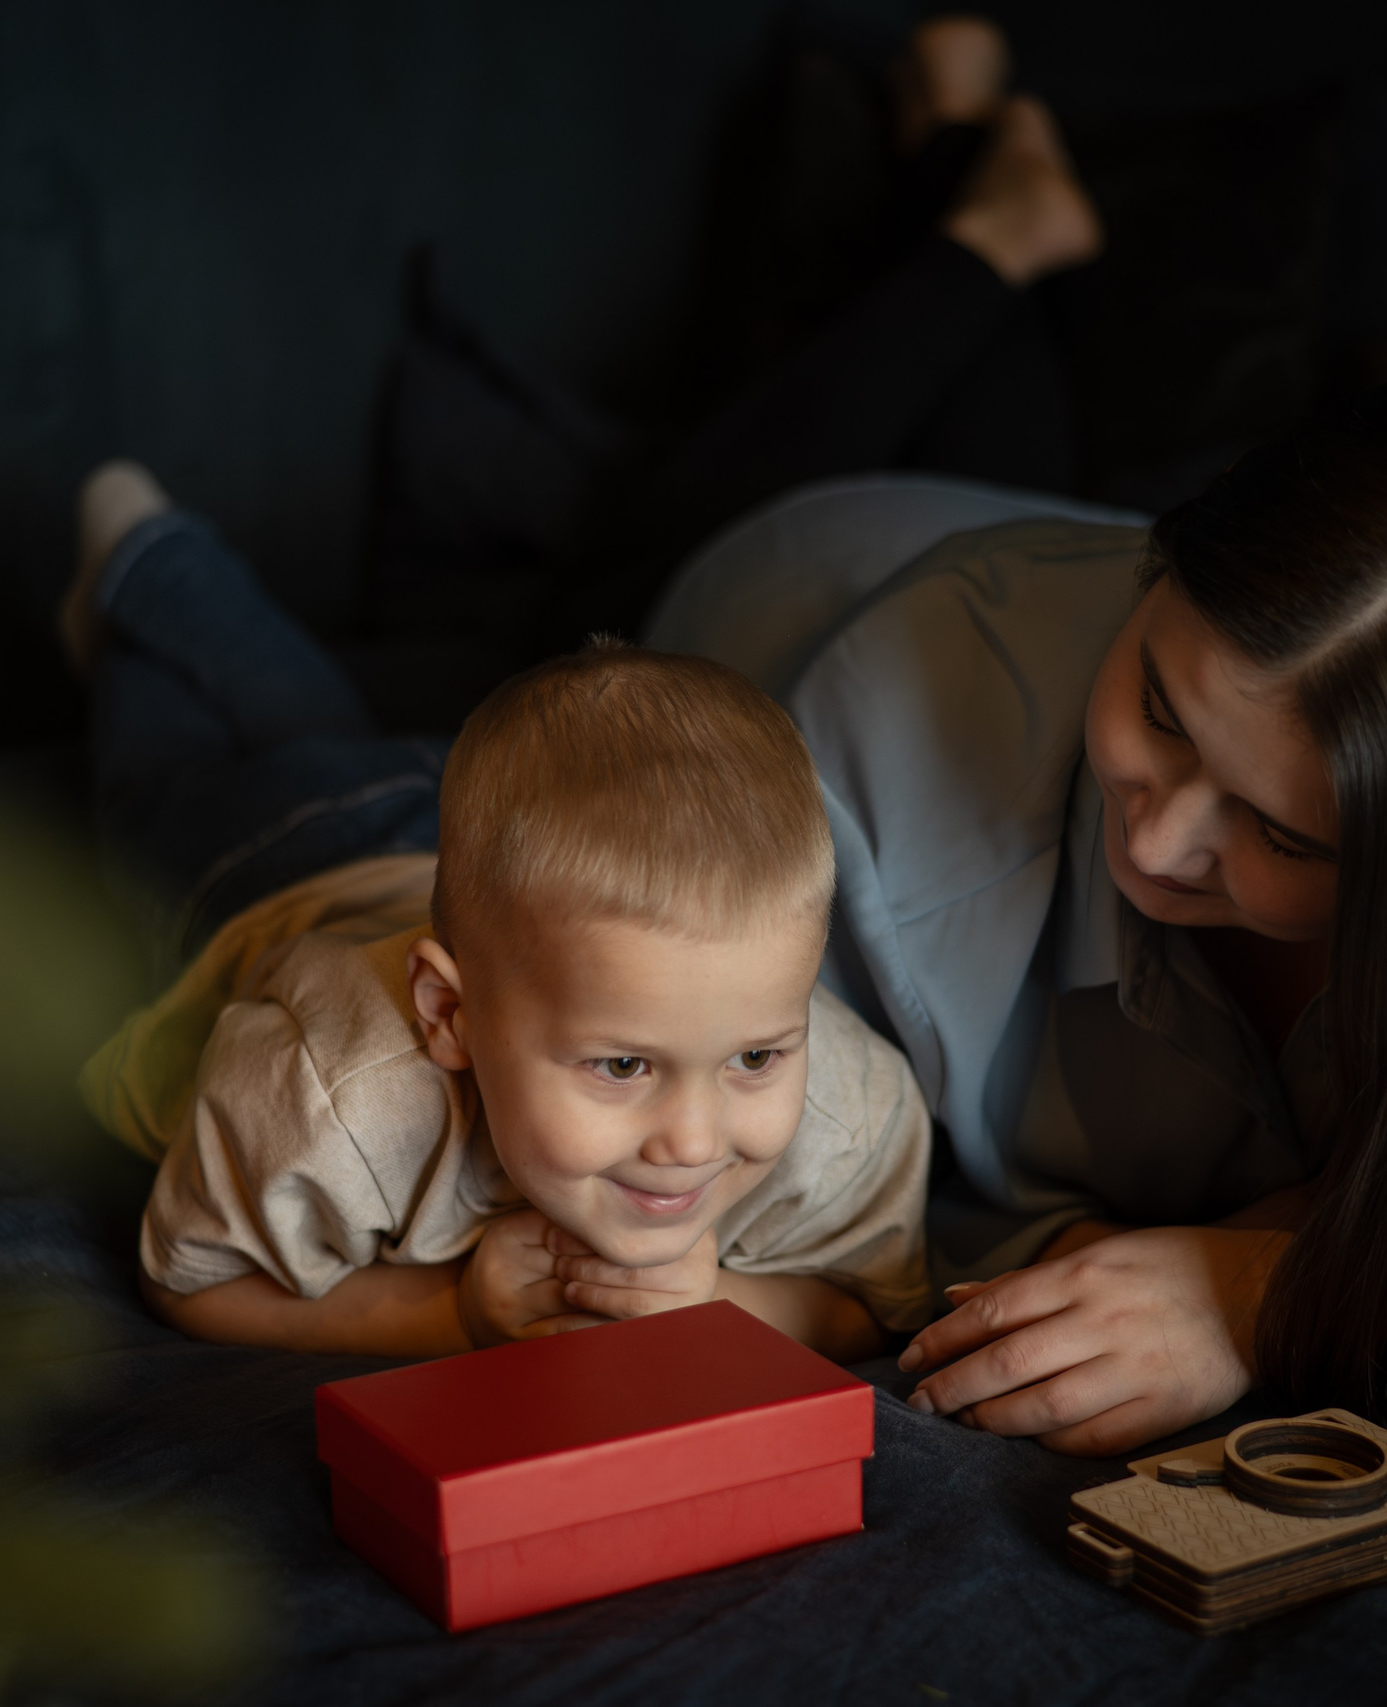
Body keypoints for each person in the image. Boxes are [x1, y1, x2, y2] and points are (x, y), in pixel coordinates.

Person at [648, 383, 1387, 1448]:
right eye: (1158, 710)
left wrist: (1264, 1288)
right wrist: (1078, 1255)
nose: (1152, 844)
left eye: (1282, 836)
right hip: (790, 595)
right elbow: (764, 1200)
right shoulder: (875, 755)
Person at [64, 467, 930, 1362]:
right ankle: (143, 560)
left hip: (500, 863)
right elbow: (189, 1277)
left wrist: (724, 1301)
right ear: (449, 1014)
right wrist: (452, 1314)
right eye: (623, 1063)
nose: (696, 1139)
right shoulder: (335, 1097)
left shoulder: (850, 1114)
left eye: (755, 1055)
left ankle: (167, 564)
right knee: (166, 774)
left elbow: (877, 1304)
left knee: (314, 720)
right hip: (280, 869)